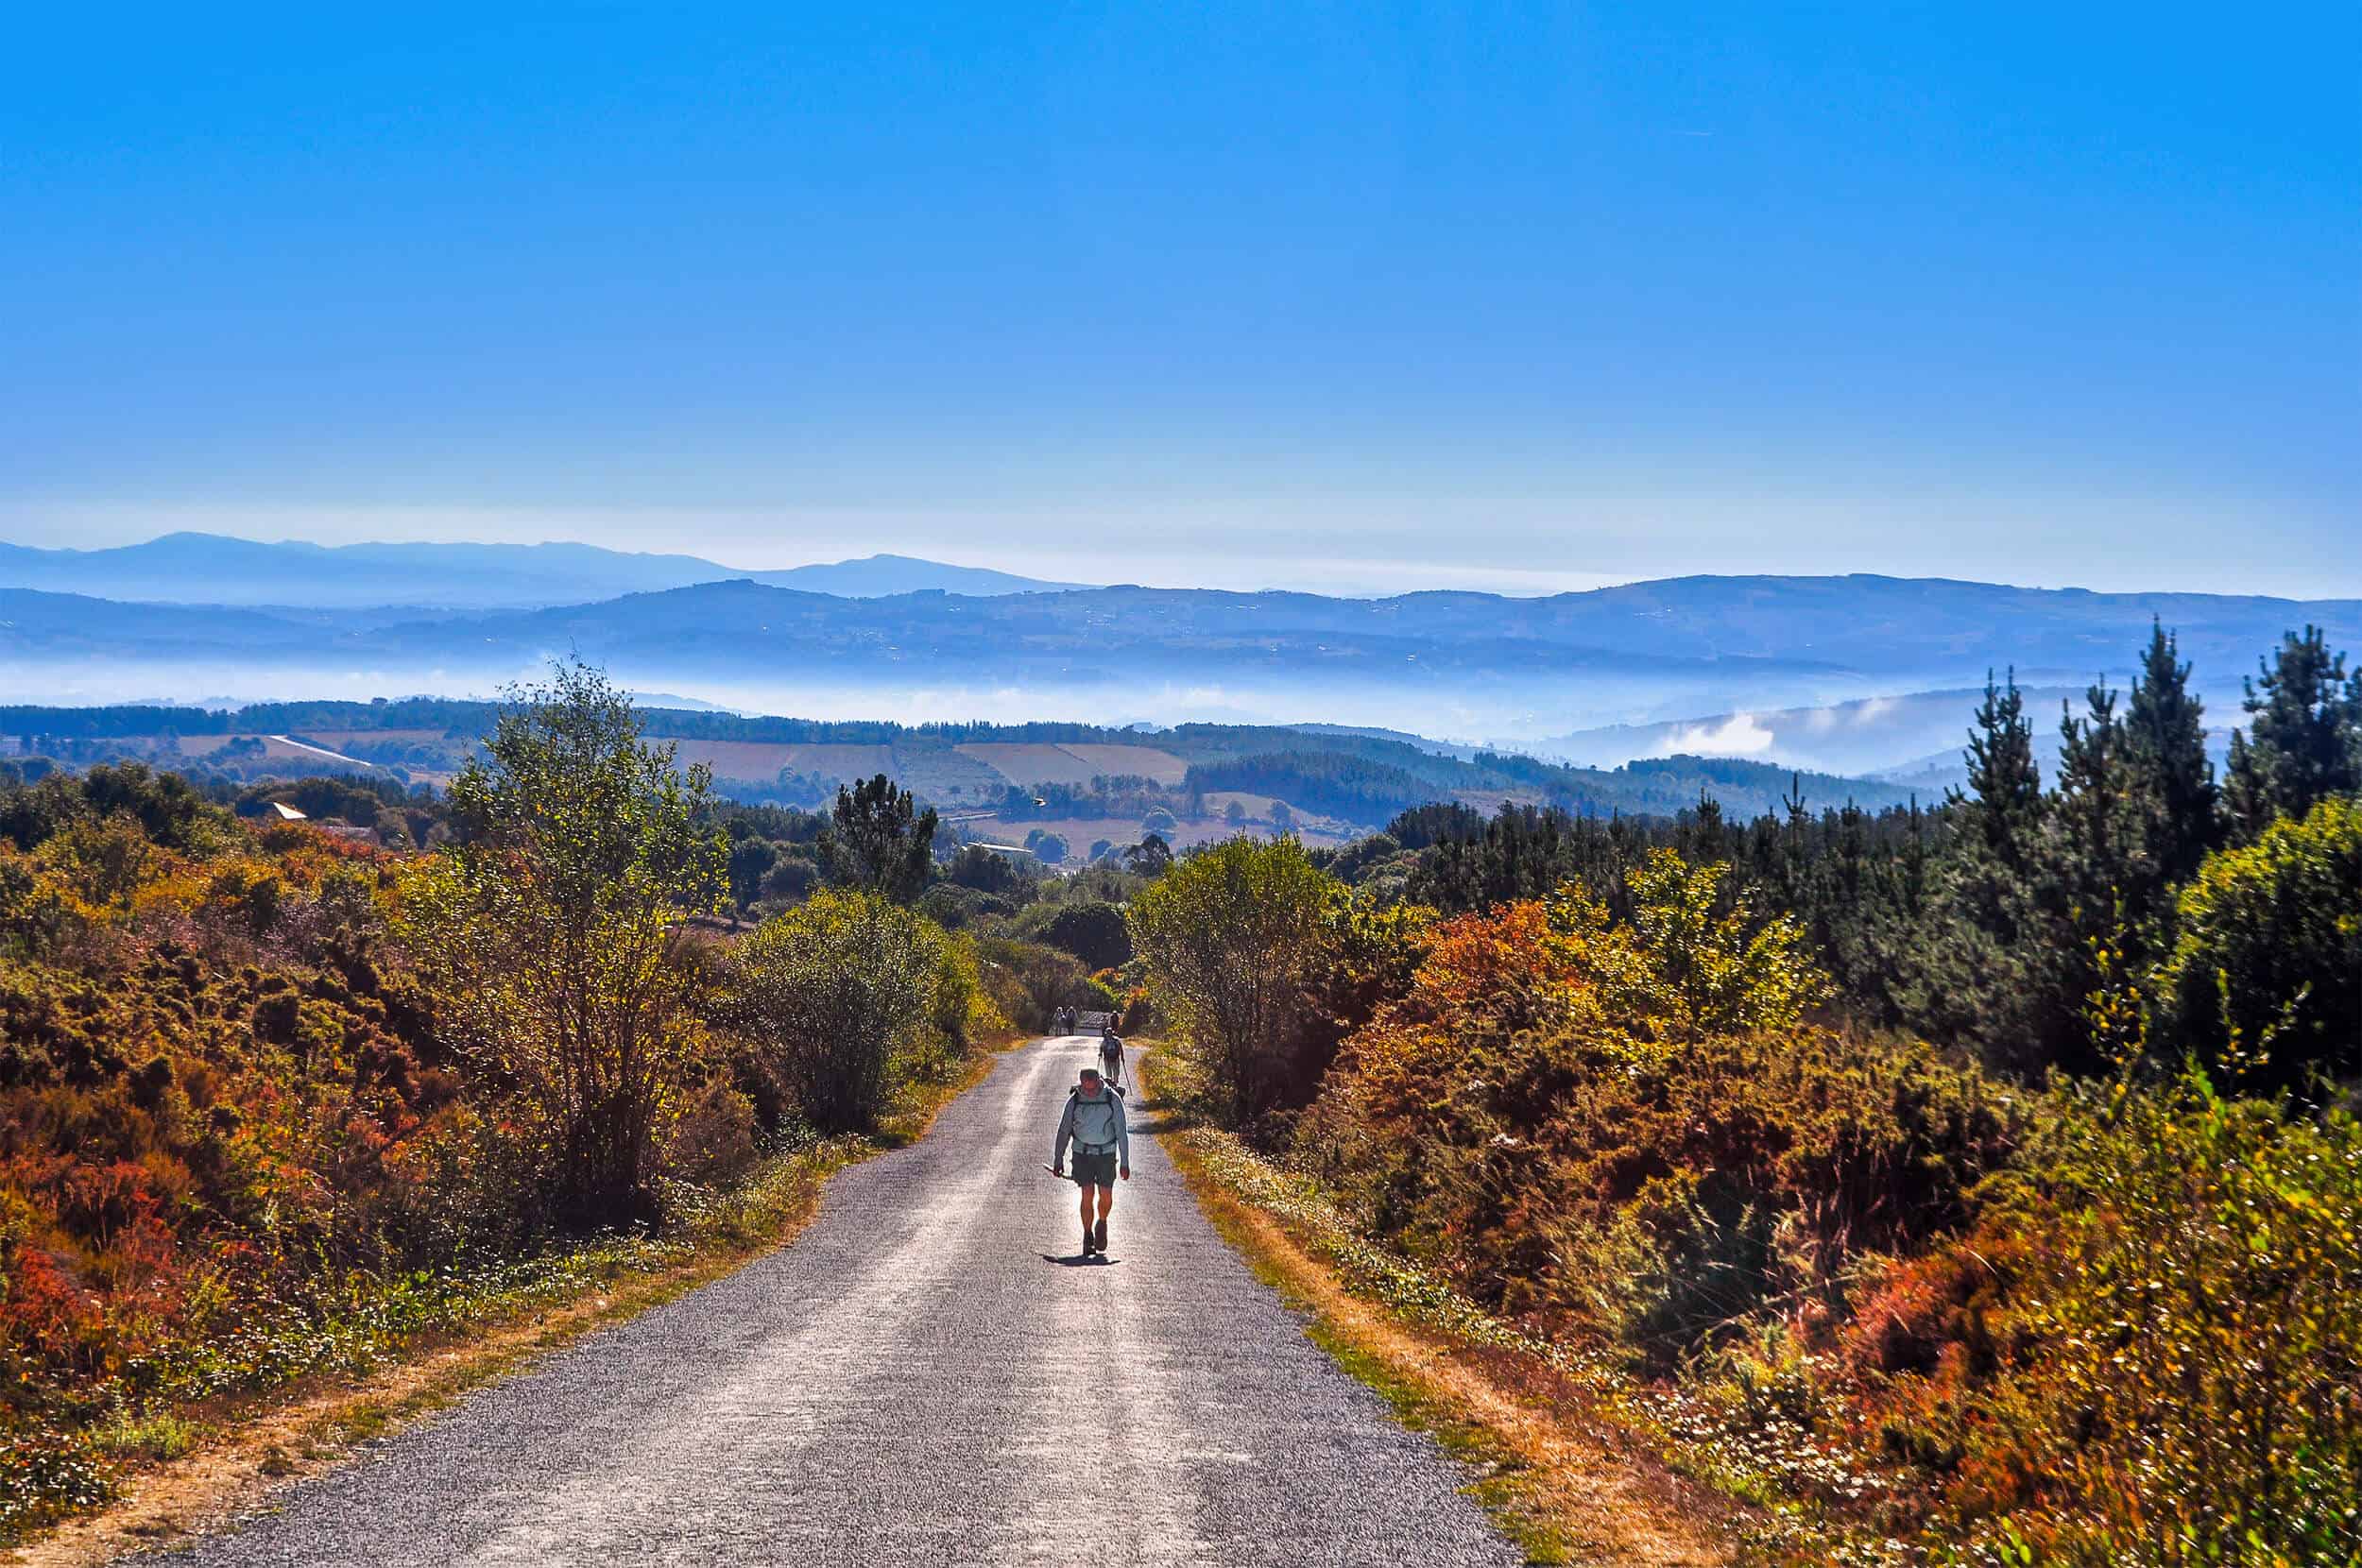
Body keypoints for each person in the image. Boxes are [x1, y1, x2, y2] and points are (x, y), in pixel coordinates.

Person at [1051, 1065, 1130, 1256]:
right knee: (1087, 1194)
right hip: (1082, 1154)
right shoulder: (1075, 1100)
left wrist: (1125, 1162)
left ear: (1099, 1083)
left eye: (1092, 1088)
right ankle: (1087, 1236)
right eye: (1085, 1088)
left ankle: (1102, 1222)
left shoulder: (1112, 1099)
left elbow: (1121, 1131)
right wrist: (1058, 1159)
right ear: (1081, 1084)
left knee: (1106, 1196)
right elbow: (1064, 1130)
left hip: (1106, 1154)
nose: (1089, 1092)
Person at [1097, 1019, 1125, 1093]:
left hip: (1116, 1058)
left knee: (1116, 1073)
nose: (1109, 1034)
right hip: (1107, 1059)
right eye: (1108, 1033)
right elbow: (1101, 1047)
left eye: (1110, 1033)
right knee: (1109, 1074)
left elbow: (1120, 1048)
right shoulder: (1104, 1041)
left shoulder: (1116, 1041)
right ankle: (1111, 1086)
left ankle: (1115, 1084)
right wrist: (1100, 1053)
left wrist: (1122, 1057)